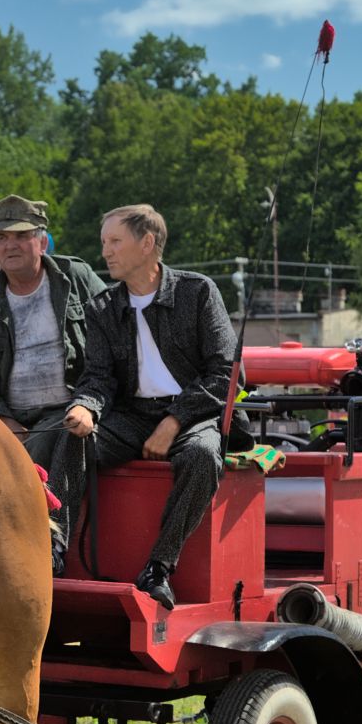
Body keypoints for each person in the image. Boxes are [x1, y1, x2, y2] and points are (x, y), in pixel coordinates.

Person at [48, 204, 242, 609]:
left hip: (192, 415)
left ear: (147, 243)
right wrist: (85, 407)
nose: (106, 251)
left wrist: (174, 421)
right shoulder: (102, 308)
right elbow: (98, 378)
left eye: (115, 241)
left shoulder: (198, 292)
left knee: (203, 455)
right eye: (104, 242)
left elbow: (227, 374)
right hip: (131, 416)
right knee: (73, 438)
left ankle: (159, 567)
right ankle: (53, 549)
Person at [0, 194, 107, 471]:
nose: (10, 245)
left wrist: (88, 404)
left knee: (39, 452)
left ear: (42, 242)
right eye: (2, 237)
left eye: (21, 235)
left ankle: (46, 503)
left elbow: (118, 334)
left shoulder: (77, 278)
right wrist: (4, 421)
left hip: (71, 411)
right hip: (8, 418)